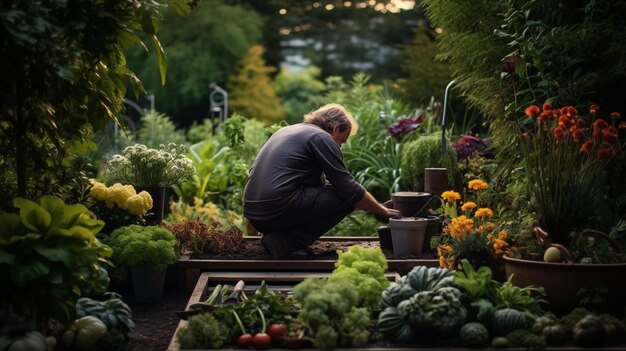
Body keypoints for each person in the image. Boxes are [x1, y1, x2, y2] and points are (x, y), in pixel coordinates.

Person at [243, 103, 401, 259]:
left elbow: (322, 192)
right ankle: (285, 242)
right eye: (342, 141)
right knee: (347, 196)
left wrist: (370, 206)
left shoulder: (288, 131)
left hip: (256, 215)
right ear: (336, 128)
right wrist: (382, 211)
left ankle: (279, 239)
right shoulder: (321, 137)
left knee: (343, 195)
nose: (339, 146)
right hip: (277, 209)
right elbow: (348, 190)